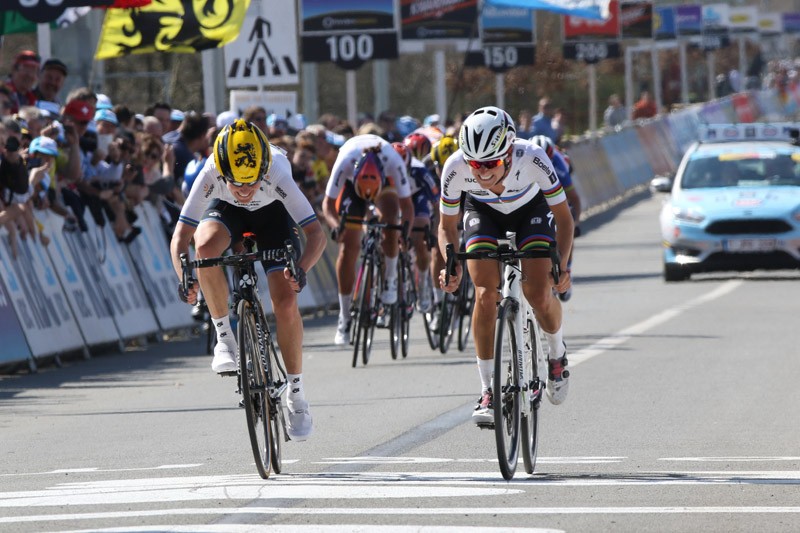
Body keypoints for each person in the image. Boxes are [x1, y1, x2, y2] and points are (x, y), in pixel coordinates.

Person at [170, 119, 326, 442]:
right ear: (222, 172)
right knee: (203, 246)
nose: (243, 191)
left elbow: (316, 234)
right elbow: (180, 237)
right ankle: (224, 337)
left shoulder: (277, 170)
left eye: (250, 183)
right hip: (227, 213)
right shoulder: (212, 170)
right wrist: (185, 275)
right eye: (236, 184)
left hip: (273, 218)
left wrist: (301, 268)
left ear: (263, 170)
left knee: (285, 302)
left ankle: (296, 394)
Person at [437, 106, 574, 426]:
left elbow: (565, 219)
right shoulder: (455, 167)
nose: (482, 173)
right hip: (482, 213)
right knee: (485, 295)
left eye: (492, 163)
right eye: (475, 164)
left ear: (510, 152)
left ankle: (556, 353)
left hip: (531, 211)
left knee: (539, 293)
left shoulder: (534, 158)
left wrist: (562, 267)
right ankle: (487, 390)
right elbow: (446, 225)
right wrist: (450, 262)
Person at [321, 133, 414, 346]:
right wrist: (336, 227)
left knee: (391, 225)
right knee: (349, 246)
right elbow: (328, 205)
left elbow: (407, 206)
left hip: (384, 187)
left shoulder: (393, 162)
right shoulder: (345, 161)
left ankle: (390, 280)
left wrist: (404, 233)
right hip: (352, 187)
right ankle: (344, 317)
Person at [530, 135, 582, 302]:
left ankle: (567, 270)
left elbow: (574, 198)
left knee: (567, 226)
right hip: (535, 197)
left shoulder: (560, 164)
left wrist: (576, 222)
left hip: (558, 195)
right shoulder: (525, 160)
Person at [391, 141, 439, 312]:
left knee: (419, 238)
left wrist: (433, 232)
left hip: (416, 197)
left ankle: (423, 286)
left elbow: (437, 204)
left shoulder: (419, 170)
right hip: (394, 198)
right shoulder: (383, 168)